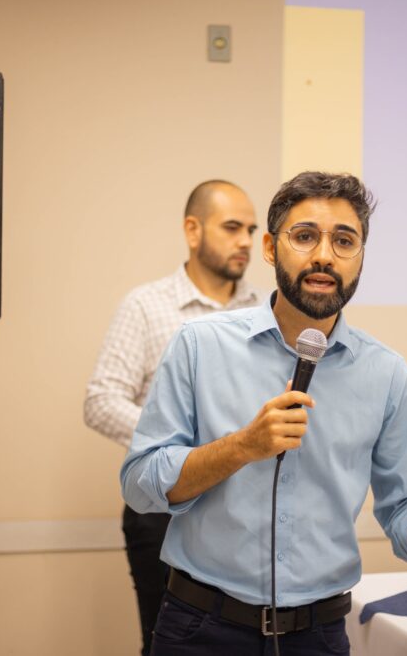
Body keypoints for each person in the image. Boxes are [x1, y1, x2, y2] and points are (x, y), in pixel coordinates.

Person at [120, 171, 407, 655]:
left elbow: (405, 501)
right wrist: (242, 447)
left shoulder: (386, 373)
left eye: (344, 240)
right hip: (201, 628)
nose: (324, 254)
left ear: (361, 256)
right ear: (269, 248)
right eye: (304, 237)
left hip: (318, 636)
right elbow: (140, 483)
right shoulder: (200, 346)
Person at [85, 180, 263, 656]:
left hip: (245, 514)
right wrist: (186, 447)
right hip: (162, 509)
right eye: (232, 227)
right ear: (192, 230)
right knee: (170, 645)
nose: (246, 240)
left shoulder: (266, 312)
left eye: (251, 228)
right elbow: (101, 400)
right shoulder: (146, 306)